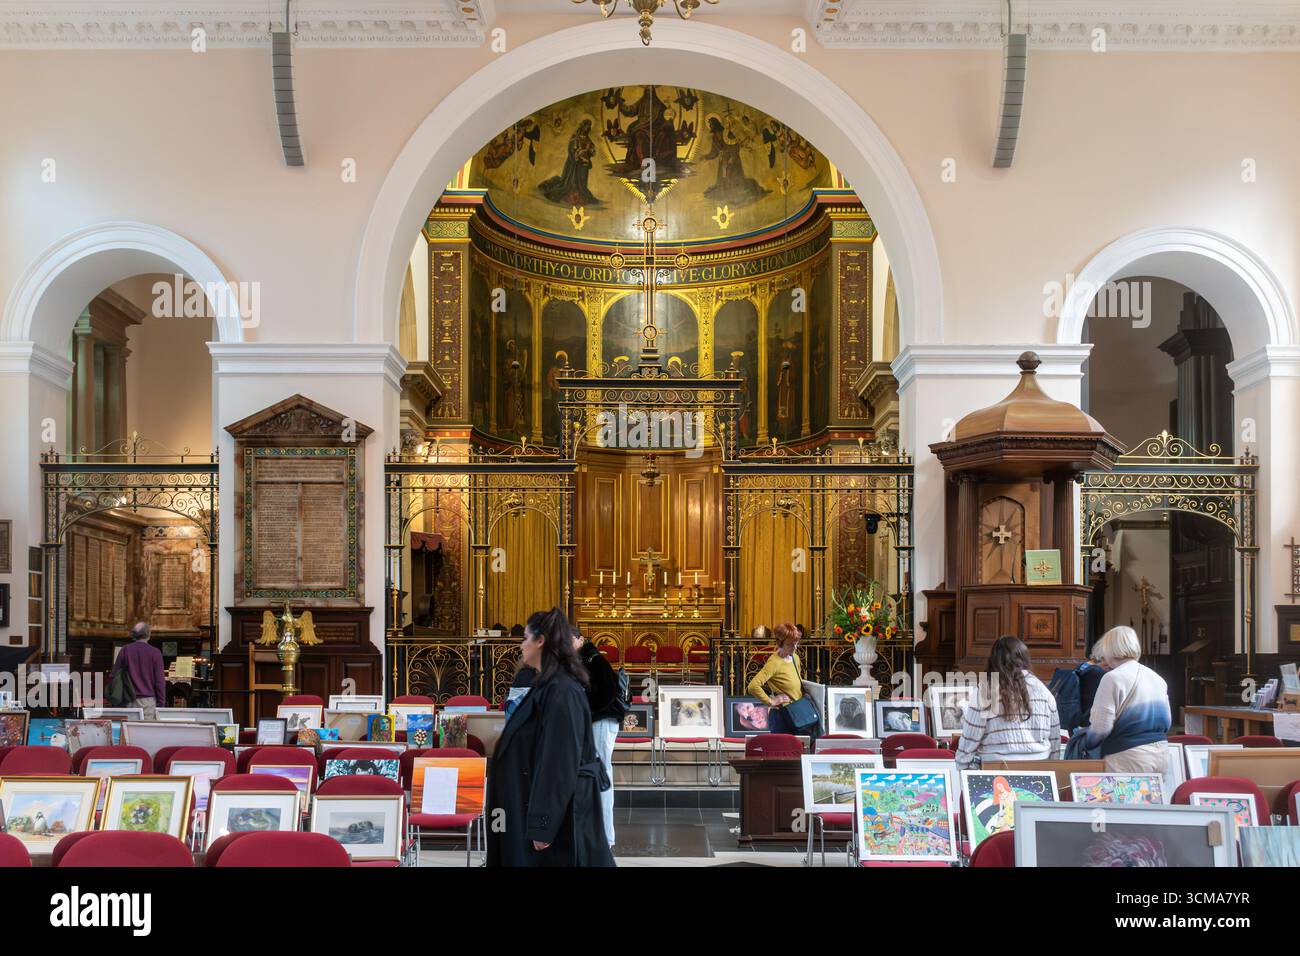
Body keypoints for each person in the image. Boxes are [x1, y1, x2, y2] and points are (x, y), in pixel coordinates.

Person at [487, 607, 614, 867]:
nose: (522, 645)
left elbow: (559, 762)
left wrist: (543, 824)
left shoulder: (562, 692)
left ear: (541, 641)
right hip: (530, 807)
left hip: (557, 823)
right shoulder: (546, 685)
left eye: (526, 638)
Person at [955, 635, 1060, 770]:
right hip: (1040, 767)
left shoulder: (988, 689)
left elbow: (970, 737)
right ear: (1024, 658)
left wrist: (961, 767)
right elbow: (1055, 737)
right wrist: (1052, 768)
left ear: (994, 660)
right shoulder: (1042, 689)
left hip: (997, 769)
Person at [1084, 625, 1171, 774]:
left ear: (1109, 650)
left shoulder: (1112, 678)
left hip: (1127, 757)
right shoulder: (1157, 678)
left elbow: (1101, 727)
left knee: (1121, 798)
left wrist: (1085, 742)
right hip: (1161, 754)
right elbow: (1167, 722)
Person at [573, 627, 624, 850]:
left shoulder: (593, 659)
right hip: (596, 721)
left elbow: (606, 693)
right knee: (596, 774)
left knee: (602, 774)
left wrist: (587, 713)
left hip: (602, 721)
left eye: (569, 640)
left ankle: (606, 836)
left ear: (580, 640)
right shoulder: (583, 659)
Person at [747, 622, 819, 736]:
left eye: (796, 643)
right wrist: (771, 701)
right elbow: (752, 686)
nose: (794, 647)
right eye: (790, 644)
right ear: (780, 643)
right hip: (783, 716)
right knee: (782, 751)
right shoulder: (774, 662)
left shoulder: (795, 657)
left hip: (798, 713)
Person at [110, 622, 166, 720]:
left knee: (128, 733)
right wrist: (161, 703)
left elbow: (114, 675)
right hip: (148, 702)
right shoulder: (155, 653)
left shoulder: (125, 650)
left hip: (128, 701)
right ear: (149, 634)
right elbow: (159, 681)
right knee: (147, 733)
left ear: (134, 635)